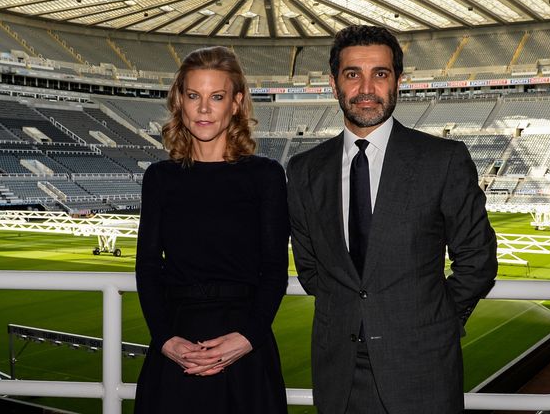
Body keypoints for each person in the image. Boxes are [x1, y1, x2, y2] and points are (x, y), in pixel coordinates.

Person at [286, 25, 498, 413]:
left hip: (422, 366)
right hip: (338, 373)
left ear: (399, 81)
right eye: (353, 74)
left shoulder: (442, 160)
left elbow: (478, 260)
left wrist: (438, 323)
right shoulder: (304, 171)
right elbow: (310, 269)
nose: (366, 87)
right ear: (334, 84)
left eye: (380, 74)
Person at [134, 46, 289, 413]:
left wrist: (247, 338)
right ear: (179, 102)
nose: (204, 109)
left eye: (216, 97)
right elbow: (147, 268)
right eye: (193, 96)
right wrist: (165, 340)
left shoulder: (265, 176)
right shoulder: (159, 178)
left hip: (244, 348)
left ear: (236, 103)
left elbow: (275, 270)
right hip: (176, 346)